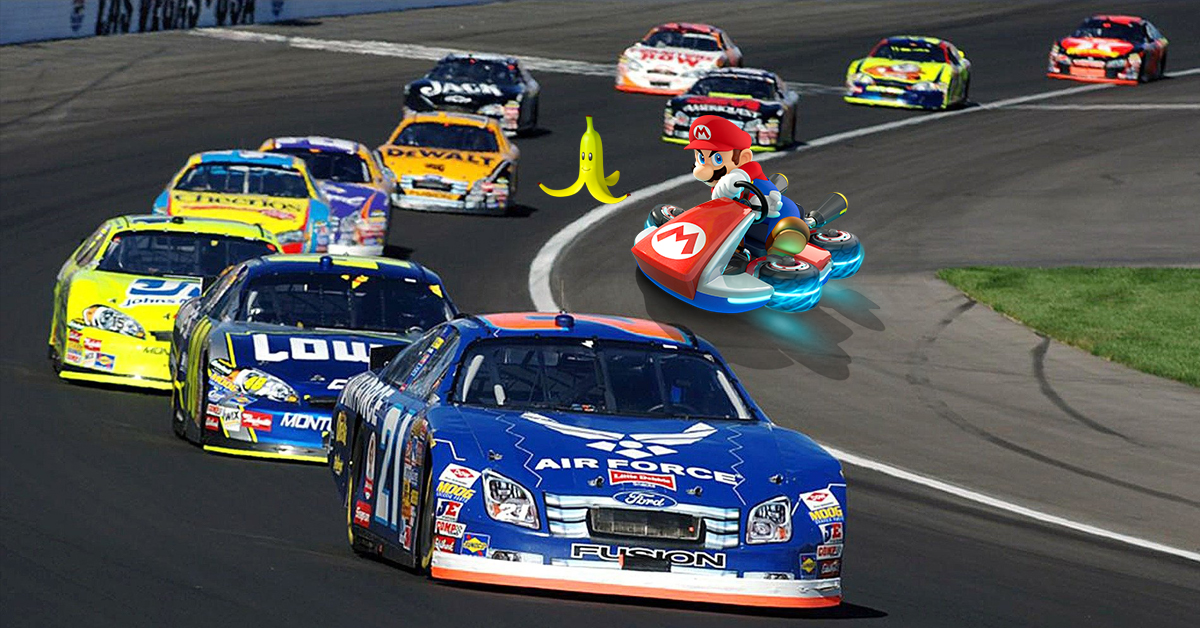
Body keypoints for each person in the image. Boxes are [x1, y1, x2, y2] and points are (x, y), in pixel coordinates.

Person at [682, 114, 809, 259]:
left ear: (743, 158)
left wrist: (739, 179)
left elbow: (751, 179)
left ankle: (781, 246)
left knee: (786, 213)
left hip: (772, 211)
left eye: (717, 159)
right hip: (744, 220)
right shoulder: (719, 186)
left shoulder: (748, 171)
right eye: (701, 158)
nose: (703, 169)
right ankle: (734, 250)